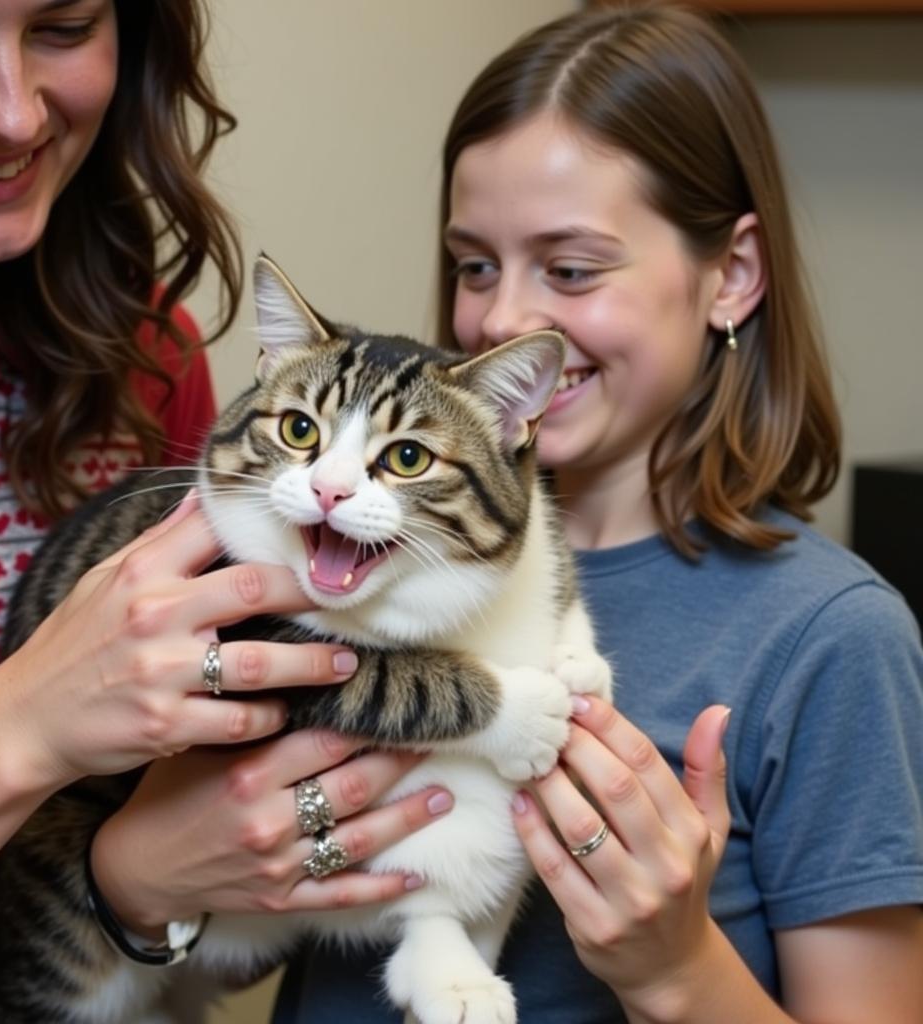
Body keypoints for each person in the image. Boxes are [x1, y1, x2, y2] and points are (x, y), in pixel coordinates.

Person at [269, 4, 923, 1022]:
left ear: (730, 277)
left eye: (570, 269)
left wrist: (676, 968)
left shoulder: (830, 641)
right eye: (474, 264)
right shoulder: (353, 551)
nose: (500, 319)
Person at [0, 2, 448, 1021]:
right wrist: (29, 724)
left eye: (63, 27)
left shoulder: (144, 355)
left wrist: (145, 889)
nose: (16, 115)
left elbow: (210, 930)